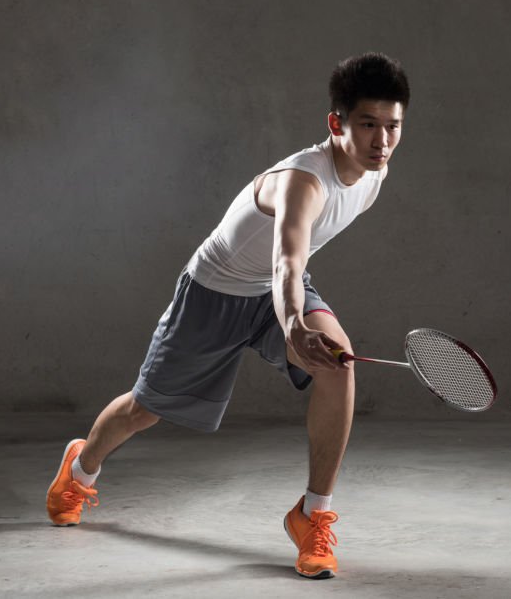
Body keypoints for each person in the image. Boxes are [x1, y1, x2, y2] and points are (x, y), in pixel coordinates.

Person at [45, 52, 410, 580]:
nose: (381, 141)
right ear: (337, 123)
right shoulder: (302, 181)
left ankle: (312, 515)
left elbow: (291, 269)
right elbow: (286, 259)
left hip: (274, 294)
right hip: (213, 295)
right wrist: (294, 326)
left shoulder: (375, 175)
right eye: (368, 125)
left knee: (339, 364)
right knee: (143, 409)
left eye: (392, 127)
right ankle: (80, 468)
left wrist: (297, 322)